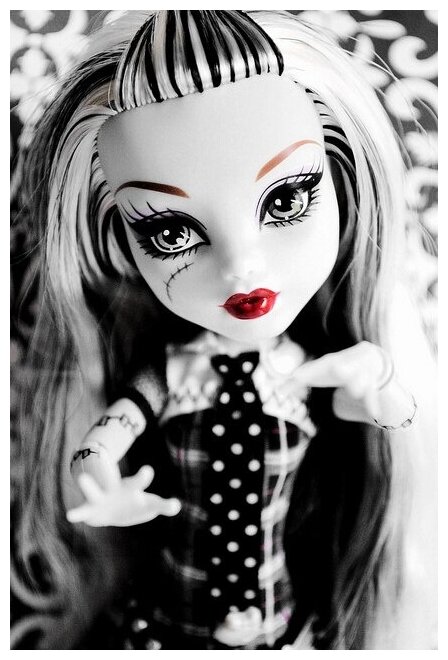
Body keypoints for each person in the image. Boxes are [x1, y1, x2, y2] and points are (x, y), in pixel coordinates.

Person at [13, 9, 436, 650]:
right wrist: (96, 473)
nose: (242, 267)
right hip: (169, 617)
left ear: (347, 184)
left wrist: (384, 386)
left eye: (286, 201)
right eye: (171, 233)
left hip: (279, 616)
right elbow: (106, 437)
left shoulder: (305, 373)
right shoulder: (173, 376)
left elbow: (390, 424)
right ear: (121, 241)